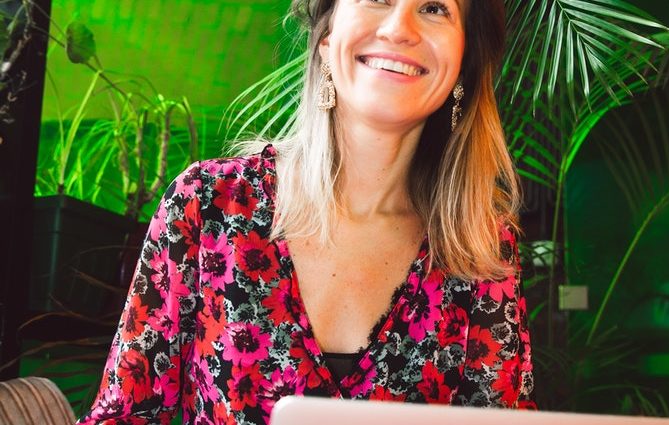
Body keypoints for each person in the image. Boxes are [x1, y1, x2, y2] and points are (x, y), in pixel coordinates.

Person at [77, 0, 535, 423]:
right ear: (326, 36)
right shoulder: (207, 204)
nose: (400, 28)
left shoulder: (483, 248)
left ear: (462, 63)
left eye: (435, 7)